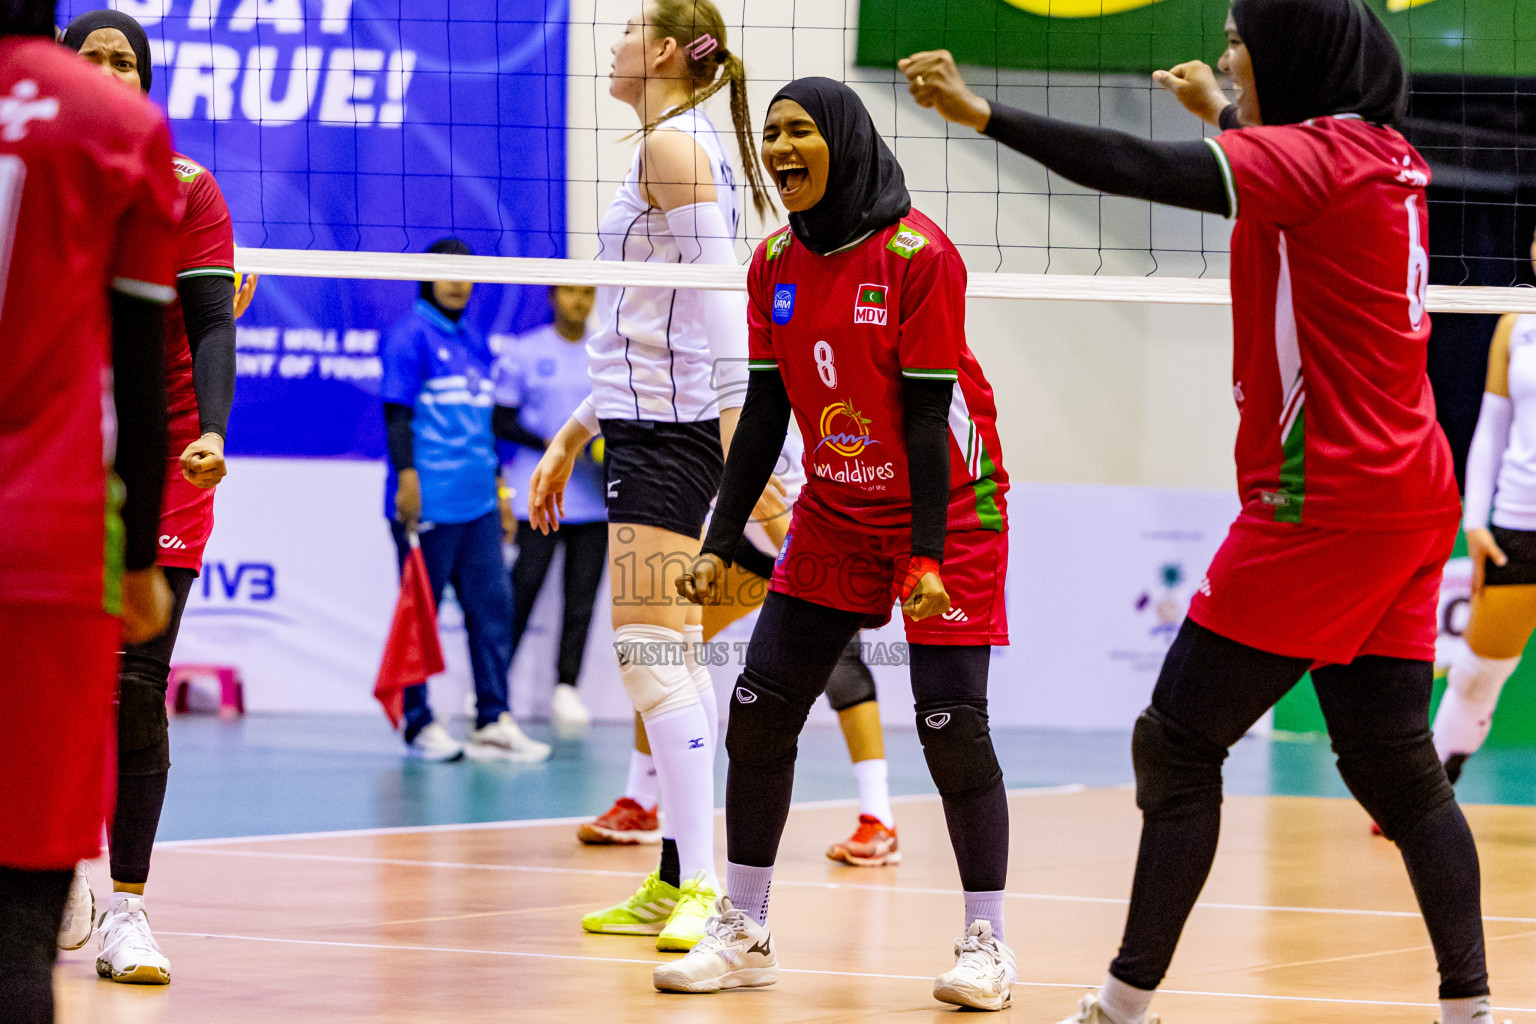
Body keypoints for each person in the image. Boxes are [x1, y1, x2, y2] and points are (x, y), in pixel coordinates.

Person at [900, 1, 1493, 1021]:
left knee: (1177, 742)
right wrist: (1225, 111)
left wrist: (982, 113)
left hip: (1325, 499)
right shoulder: (1380, 154)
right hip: (1408, 488)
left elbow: (1144, 171)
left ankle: (1124, 1004)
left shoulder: (1311, 159)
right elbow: (1279, 186)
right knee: (1396, 765)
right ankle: (1471, 1010)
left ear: (1292, 54)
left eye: (1238, 41)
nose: (1225, 54)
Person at [659, 78, 1015, 1011]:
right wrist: (722, 535)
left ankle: (986, 943)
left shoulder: (918, 254)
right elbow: (771, 406)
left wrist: (930, 558)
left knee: (949, 720)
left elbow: (933, 417)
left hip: (953, 508)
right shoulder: (773, 258)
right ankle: (745, 929)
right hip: (838, 509)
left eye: (800, 131)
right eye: (770, 134)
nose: (780, 148)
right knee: (760, 705)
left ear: (844, 142)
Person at [526, 0, 775, 953]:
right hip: (642, 425)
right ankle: (681, 879)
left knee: (649, 654)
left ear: (667, 49)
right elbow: (642, 319)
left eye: (630, 28)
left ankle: (708, 889)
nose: (615, 41)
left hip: (677, 435)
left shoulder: (673, 146)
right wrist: (574, 431)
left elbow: (718, 304)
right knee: (672, 654)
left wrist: (739, 447)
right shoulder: (671, 143)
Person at [52, 9, 252, 985]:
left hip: (163, 448)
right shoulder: (32, 174)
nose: (108, 72)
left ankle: (126, 906)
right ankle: (48, 875)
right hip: (47, 448)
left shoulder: (184, 189)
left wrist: (213, 430)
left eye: (124, 60)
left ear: (147, 77)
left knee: (135, 684)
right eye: (90, 59)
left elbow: (213, 324)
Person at [0, 2, 178, 1019]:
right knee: (21, 934)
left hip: (51, 550)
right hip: (46, 544)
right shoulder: (113, 128)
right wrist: (141, 552)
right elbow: (142, 374)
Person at [580, 428, 901, 865]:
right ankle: (640, 801)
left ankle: (878, 818)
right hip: (749, 546)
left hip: (819, 541)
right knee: (663, 649)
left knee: (843, 672)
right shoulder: (717, 390)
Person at [380, 238, 550, 763]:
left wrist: (501, 495)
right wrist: (407, 476)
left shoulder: (475, 341)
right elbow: (397, 415)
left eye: (466, 274)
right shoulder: (409, 336)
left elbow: (484, 427)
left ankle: (493, 720)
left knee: (492, 608)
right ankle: (418, 723)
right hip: (429, 499)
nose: (458, 282)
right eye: (448, 273)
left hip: (478, 502)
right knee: (420, 617)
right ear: (429, 277)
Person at [1433, 231, 1536, 783]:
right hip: (1519, 524)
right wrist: (1475, 521)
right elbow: (1491, 429)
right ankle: (1426, 794)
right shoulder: (1515, 322)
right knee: (1478, 671)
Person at [492, 285, 606, 732]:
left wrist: (598, 451)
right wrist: (555, 445)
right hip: (536, 494)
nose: (580, 302)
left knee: (581, 600)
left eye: (588, 294)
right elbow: (499, 421)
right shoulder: (525, 351)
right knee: (523, 590)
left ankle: (567, 688)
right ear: (553, 296)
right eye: (572, 292)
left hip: (593, 500)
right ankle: (494, 685)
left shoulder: (607, 349)